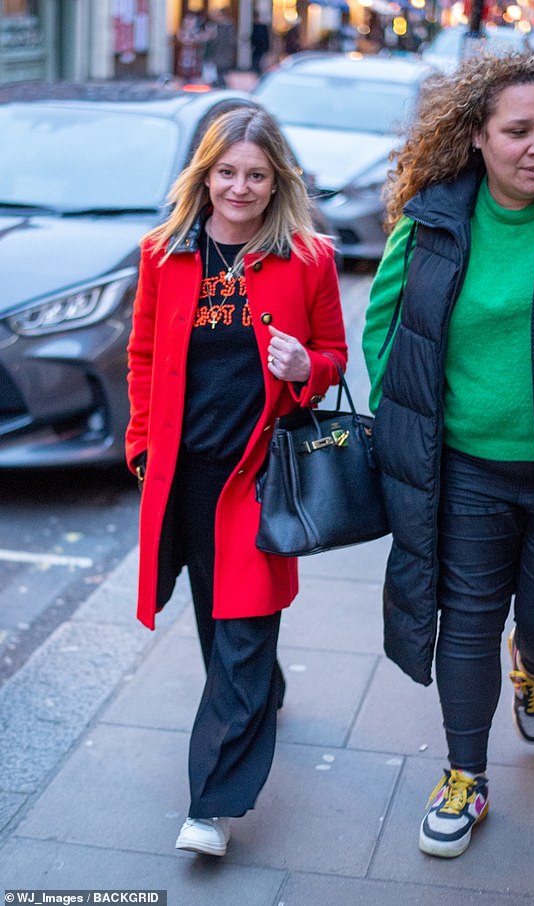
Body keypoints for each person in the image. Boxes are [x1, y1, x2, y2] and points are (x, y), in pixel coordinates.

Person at [363, 53, 534, 859]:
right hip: (467, 469)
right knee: (469, 623)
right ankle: (465, 775)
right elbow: (386, 332)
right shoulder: (434, 217)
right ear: (477, 136)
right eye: (518, 131)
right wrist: (410, 427)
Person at [126, 105, 347, 858]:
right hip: (185, 479)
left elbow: (334, 357)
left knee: (243, 633)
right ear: (205, 174)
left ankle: (211, 806)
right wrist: (140, 449)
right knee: (218, 626)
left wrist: (305, 369)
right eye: (226, 172)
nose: (240, 188)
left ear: (277, 179)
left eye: (255, 174)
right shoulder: (165, 254)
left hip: (258, 479)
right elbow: (145, 358)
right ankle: (263, 694)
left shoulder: (309, 259)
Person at [250, 10, 270, 75]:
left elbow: (266, 38)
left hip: (262, 49)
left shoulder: (262, 27)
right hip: (256, 49)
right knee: (255, 63)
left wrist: (267, 48)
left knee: (261, 63)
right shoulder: (253, 27)